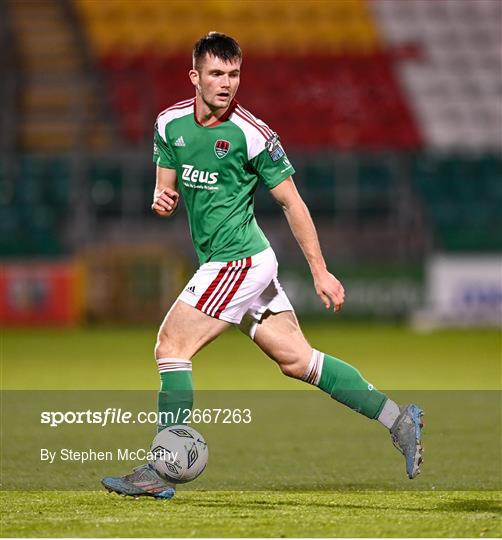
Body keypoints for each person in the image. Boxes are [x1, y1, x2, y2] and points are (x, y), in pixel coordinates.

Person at [102, 32, 423, 499]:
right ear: (195, 76)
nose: (226, 83)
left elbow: (293, 203)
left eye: (234, 74)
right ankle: (399, 420)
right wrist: (161, 198)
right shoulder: (169, 123)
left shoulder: (254, 134)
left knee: (171, 346)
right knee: (299, 361)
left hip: (241, 259)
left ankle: (161, 469)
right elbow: (165, 187)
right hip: (224, 262)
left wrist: (319, 270)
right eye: (216, 73)